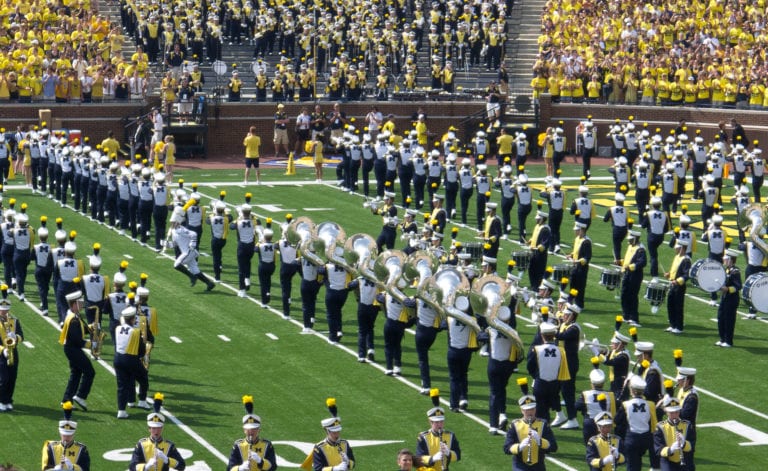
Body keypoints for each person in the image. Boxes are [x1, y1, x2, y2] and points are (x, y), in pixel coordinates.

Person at [503, 378, 557, 470]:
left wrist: (540, 441)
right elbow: (507, 448)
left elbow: (553, 447)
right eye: (526, 410)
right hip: (520, 466)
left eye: (532, 409)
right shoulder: (514, 425)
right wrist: (519, 447)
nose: (530, 412)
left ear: (535, 409)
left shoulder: (543, 424)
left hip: (538, 466)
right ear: (521, 410)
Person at [58, 290, 95, 411]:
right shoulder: (73, 319)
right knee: (89, 372)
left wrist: (91, 327)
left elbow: (81, 329)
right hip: (73, 349)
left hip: (71, 348)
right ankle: (80, 396)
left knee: (76, 374)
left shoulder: (74, 315)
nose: (82, 304)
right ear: (74, 304)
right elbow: (77, 340)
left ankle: (66, 400)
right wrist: (91, 344)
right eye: (80, 302)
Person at [130, 393, 186, 470]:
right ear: (149, 429)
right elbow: (132, 467)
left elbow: (182, 465)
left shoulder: (169, 446)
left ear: (162, 428)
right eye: (153, 428)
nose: (156, 431)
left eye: (158, 428)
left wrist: (167, 460)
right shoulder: (141, 445)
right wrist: (146, 466)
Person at [527, 322, 570, 421]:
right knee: (547, 410)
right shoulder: (561, 351)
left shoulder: (536, 349)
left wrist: (535, 376)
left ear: (542, 335)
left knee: (539, 412)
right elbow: (562, 369)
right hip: (555, 384)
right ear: (554, 335)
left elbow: (530, 366)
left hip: (540, 383)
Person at [615, 376, 657, 471]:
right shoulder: (650, 404)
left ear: (632, 390)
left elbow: (617, 420)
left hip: (632, 438)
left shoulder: (626, 404)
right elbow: (654, 424)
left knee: (632, 466)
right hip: (646, 438)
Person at [168, 206, 216, 291]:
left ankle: (192, 277)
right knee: (195, 269)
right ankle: (210, 283)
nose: (172, 223)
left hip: (188, 252)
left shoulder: (181, 229)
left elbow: (194, 234)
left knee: (177, 265)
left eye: (174, 222)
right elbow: (175, 244)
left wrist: (193, 243)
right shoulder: (174, 231)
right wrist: (167, 245)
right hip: (187, 252)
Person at [114, 306, 149, 419]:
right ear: (133, 319)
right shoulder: (135, 332)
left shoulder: (117, 328)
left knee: (122, 385)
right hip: (131, 359)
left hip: (118, 358)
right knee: (143, 377)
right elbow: (141, 350)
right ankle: (142, 400)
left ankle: (121, 410)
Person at [227, 395, 277, 470]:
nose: (251, 431)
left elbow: (273, 467)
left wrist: (260, 461)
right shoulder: (238, 445)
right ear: (244, 430)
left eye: (254, 429)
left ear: (259, 430)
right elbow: (229, 468)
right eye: (248, 429)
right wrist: (240, 468)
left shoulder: (267, 445)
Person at [416, 390, 461, 471]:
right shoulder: (423, 437)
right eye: (436, 422)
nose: (439, 425)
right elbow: (419, 458)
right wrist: (432, 459)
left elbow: (458, 456)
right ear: (430, 422)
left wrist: (448, 453)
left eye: (441, 422)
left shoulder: (450, 436)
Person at [307, 399, 355, 471]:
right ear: (327, 431)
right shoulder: (319, 448)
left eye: (338, 431)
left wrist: (348, 462)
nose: (337, 434)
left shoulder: (345, 444)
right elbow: (318, 469)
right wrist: (334, 469)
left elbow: (353, 463)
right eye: (334, 432)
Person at [42, 402, 91, 470]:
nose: (66, 438)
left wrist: (72, 467)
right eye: (64, 435)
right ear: (59, 433)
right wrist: (56, 469)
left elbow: (85, 469)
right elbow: (45, 468)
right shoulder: (50, 447)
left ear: (74, 433)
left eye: (69, 435)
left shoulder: (82, 449)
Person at [653, 397, 694, 470]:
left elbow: (692, 445)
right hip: (667, 460)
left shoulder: (687, 425)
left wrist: (684, 443)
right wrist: (671, 449)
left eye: (677, 412)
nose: (674, 415)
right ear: (666, 411)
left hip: (685, 459)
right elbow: (658, 449)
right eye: (671, 413)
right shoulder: (660, 427)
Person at [621, 229, 647, 326]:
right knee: (624, 294)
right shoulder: (630, 246)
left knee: (632, 296)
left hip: (635, 275)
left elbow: (642, 262)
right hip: (627, 274)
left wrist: (631, 267)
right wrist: (622, 262)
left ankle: (634, 318)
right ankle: (626, 315)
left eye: (631, 239)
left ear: (635, 239)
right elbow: (629, 258)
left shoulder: (640, 249)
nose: (629, 241)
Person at [0, 296, 22, 411]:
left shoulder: (14, 320)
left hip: (13, 352)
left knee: (12, 378)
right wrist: (2, 349)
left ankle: (8, 400)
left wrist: (16, 338)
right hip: (1, 354)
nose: (4, 312)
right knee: (4, 379)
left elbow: (21, 336)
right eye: (2, 309)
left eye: (6, 309)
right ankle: (1, 400)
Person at [665, 240, 691, 334]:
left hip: (679, 286)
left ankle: (679, 327)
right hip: (672, 284)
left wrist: (677, 281)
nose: (675, 250)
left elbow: (686, 275)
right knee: (670, 304)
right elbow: (675, 270)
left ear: (681, 249)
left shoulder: (686, 260)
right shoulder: (677, 257)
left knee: (678, 306)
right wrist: (669, 274)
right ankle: (672, 325)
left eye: (677, 248)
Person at [717, 249, 742, 347]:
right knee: (721, 318)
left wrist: (727, 289)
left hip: (731, 300)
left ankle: (728, 341)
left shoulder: (735, 272)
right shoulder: (726, 270)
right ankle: (722, 338)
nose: (724, 260)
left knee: (729, 320)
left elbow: (738, 286)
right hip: (724, 298)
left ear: (730, 260)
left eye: (726, 259)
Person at [567, 222, 592, 308]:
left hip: (582, 268)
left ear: (581, 230)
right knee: (573, 285)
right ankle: (571, 302)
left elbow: (587, 257)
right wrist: (571, 255)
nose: (575, 232)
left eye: (577, 230)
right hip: (575, 267)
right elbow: (576, 251)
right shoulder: (577, 239)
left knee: (580, 287)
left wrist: (578, 261)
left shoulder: (586, 242)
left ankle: (579, 305)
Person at [255, 226, 279, 306]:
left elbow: (255, 250)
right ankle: (268, 292)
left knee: (263, 283)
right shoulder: (274, 245)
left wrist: (259, 241)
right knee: (268, 280)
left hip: (263, 265)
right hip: (271, 266)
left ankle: (264, 301)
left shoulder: (260, 245)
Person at [527, 210, 551, 289]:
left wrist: (538, 247)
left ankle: (537, 288)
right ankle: (534, 286)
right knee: (531, 270)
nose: (536, 220)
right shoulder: (537, 226)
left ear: (542, 219)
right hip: (533, 252)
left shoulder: (545, 229)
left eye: (538, 219)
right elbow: (536, 236)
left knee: (538, 272)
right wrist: (530, 241)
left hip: (540, 255)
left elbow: (545, 243)